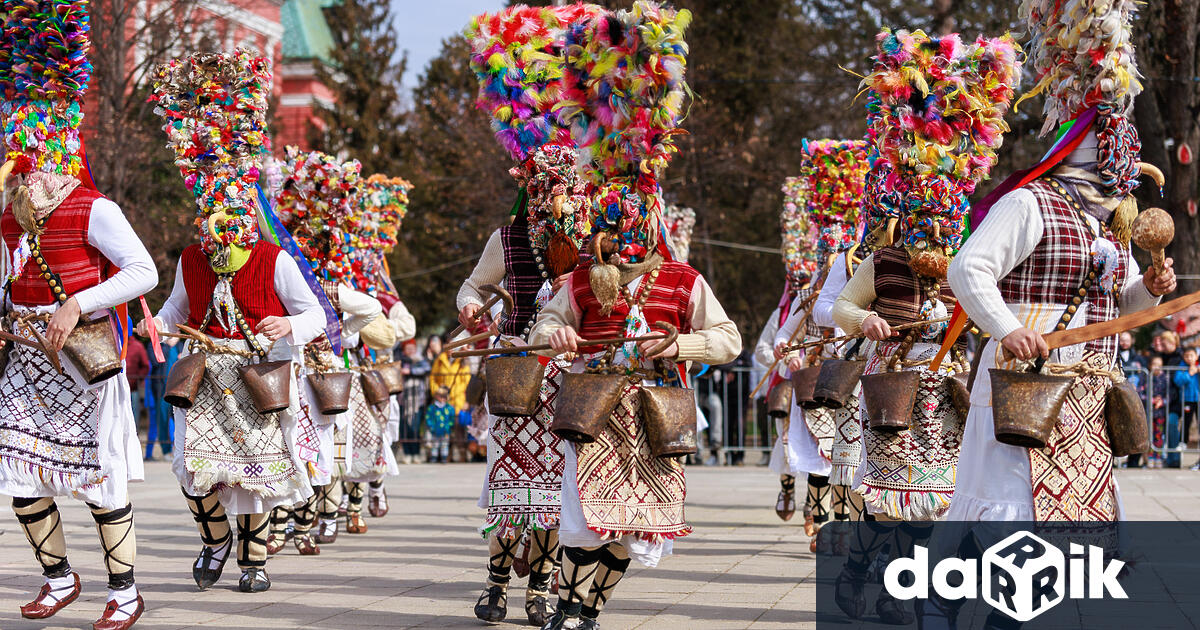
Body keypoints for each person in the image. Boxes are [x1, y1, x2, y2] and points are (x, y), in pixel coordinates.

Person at [533, 6, 741, 628]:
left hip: (654, 414)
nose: (618, 239)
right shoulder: (576, 280)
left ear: (649, 226)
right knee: (579, 521)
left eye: (629, 227)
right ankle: (572, 607)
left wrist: (679, 346)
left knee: (633, 528)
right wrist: (558, 334)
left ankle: (587, 610)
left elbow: (728, 340)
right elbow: (542, 329)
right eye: (608, 227)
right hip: (592, 407)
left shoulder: (683, 280)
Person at [833, 27, 1020, 625]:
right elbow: (841, 307)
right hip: (890, 384)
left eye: (943, 222)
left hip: (946, 390)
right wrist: (865, 320)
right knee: (889, 501)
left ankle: (900, 588)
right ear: (906, 217)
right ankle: (864, 567)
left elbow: (993, 302)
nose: (934, 234)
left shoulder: (967, 262)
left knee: (935, 502)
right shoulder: (882, 261)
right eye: (924, 221)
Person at [145, 50, 326, 594]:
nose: (220, 232)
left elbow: (314, 312)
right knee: (193, 470)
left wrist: (287, 329)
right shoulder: (191, 259)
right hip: (202, 378)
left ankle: (253, 562)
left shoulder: (273, 259)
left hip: (256, 377)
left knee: (254, 473)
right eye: (211, 217)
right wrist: (158, 323)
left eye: (229, 217)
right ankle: (214, 539)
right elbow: (178, 308)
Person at [0, 4, 157, 627]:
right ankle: (59, 578)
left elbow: (142, 272)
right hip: (28, 354)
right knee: (19, 470)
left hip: (84, 356)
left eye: (30, 145)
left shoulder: (96, 207)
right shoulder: (8, 215)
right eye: (19, 146)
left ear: (60, 145)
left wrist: (76, 302)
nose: (23, 160)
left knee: (98, 477)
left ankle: (125, 592)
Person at [461, 6, 600, 625]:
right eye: (546, 190)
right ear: (531, 187)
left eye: (567, 190)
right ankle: (495, 579)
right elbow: (474, 287)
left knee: (558, 488)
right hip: (518, 374)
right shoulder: (509, 236)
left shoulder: (599, 240)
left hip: (572, 378)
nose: (555, 202)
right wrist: (471, 308)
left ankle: (543, 585)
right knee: (508, 483)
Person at [399, 339, 431, 463]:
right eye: (408, 348)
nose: (410, 350)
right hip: (404, 399)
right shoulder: (401, 361)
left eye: (412, 348)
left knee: (415, 427)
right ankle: (407, 454)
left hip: (417, 399)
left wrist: (411, 371)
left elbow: (426, 369)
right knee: (405, 428)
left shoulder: (421, 361)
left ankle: (416, 453)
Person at [1174, 347, 1200, 469]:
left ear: (1196, 356)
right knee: (1187, 421)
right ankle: (1183, 442)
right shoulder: (1182, 366)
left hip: (1198, 399)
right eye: (1187, 356)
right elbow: (1178, 381)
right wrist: (1189, 374)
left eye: (1192, 355)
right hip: (1188, 399)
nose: (1189, 358)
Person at [424, 386, 455, 463]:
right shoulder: (432, 408)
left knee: (445, 444)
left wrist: (449, 426)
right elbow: (428, 417)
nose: (442, 398)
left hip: (445, 430)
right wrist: (431, 426)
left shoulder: (449, 408)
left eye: (444, 396)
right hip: (435, 429)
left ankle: (444, 457)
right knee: (435, 444)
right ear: (436, 396)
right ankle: (434, 457)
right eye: (440, 396)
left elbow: (452, 418)